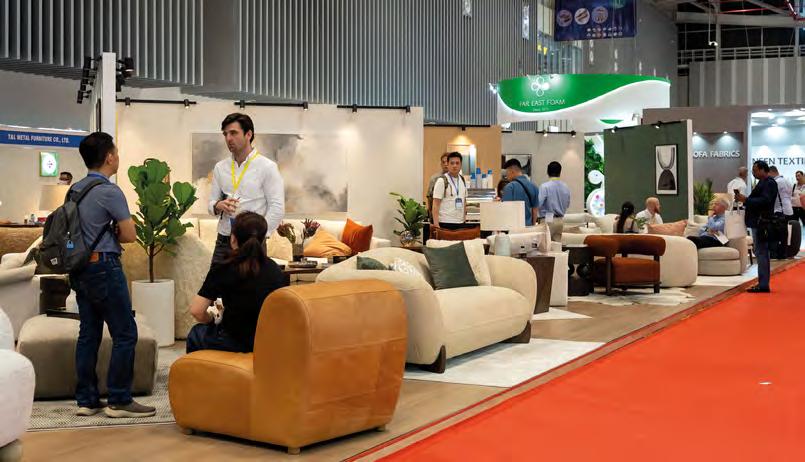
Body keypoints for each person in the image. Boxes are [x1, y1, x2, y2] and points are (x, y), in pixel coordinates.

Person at [71, 132, 155, 418]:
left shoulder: (75, 189)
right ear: (109, 157)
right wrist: (115, 231)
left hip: (80, 269)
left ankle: (86, 400)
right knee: (125, 333)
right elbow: (130, 235)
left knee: (88, 334)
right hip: (104, 267)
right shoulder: (110, 191)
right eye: (116, 152)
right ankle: (119, 399)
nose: (118, 157)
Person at [186, 212, 286, 353]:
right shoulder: (275, 269)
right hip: (267, 342)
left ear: (233, 238)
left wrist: (212, 321)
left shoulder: (223, 268)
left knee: (197, 333)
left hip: (233, 340)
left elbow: (197, 311)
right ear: (263, 239)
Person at [208, 113, 285, 265]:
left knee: (251, 282)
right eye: (225, 134)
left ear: (248, 134)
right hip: (224, 240)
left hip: (252, 242)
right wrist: (217, 205)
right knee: (215, 280)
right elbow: (211, 203)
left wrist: (259, 236)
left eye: (233, 133)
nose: (228, 138)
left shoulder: (267, 167)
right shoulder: (220, 167)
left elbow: (277, 208)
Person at [735, 160, 778, 293]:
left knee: (761, 252)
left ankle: (763, 284)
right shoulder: (763, 182)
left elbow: (765, 201)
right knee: (761, 252)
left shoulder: (769, 183)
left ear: (762, 170)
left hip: (761, 222)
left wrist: (746, 200)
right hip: (758, 222)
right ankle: (762, 283)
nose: (753, 173)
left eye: (755, 170)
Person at [431, 152, 467, 230]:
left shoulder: (462, 180)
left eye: (457, 163)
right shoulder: (441, 180)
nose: (455, 166)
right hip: (445, 222)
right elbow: (435, 204)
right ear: (448, 164)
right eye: (452, 163)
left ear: (461, 165)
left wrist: (464, 219)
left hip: (460, 222)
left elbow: (464, 201)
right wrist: (436, 225)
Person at [538, 161, 571, 242]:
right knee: (557, 246)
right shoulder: (566, 187)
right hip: (560, 220)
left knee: (545, 246)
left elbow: (538, 203)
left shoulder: (544, 186)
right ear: (560, 172)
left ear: (547, 172)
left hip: (547, 220)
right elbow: (567, 204)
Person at [501, 159, 539, 226]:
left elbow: (506, 210)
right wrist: (532, 226)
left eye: (507, 173)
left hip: (513, 228)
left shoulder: (510, 187)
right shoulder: (534, 186)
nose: (506, 176)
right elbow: (535, 210)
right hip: (528, 227)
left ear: (512, 171)